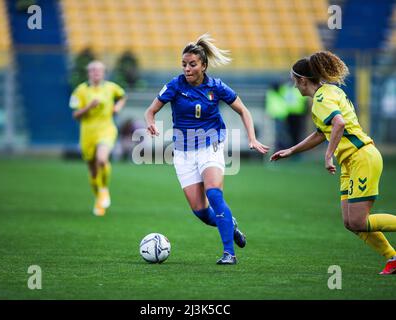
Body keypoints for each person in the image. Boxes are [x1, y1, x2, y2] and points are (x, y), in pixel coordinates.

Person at [144, 34, 269, 265]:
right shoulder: (174, 85)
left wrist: (252, 138)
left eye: (192, 64)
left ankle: (229, 253)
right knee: (201, 212)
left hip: (210, 144)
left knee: (214, 193)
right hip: (182, 151)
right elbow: (150, 110)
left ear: (203, 65)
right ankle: (231, 226)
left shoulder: (216, 86)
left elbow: (244, 110)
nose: (187, 69)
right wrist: (150, 122)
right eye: (184, 64)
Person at [270, 51, 396, 275]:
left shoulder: (320, 100)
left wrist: (328, 156)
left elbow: (338, 124)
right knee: (350, 222)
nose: (294, 87)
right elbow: (322, 133)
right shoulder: (330, 92)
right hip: (352, 161)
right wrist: (292, 150)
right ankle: (392, 258)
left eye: (294, 82)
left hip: (361, 157)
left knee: (358, 221)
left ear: (303, 80)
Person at [69, 60, 127, 216]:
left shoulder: (111, 87)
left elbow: (122, 96)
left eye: (99, 70)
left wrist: (117, 107)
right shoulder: (80, 91)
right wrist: (88, 107)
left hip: (106, 129)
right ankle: (99, 198)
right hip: (87, 133)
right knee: (93, 171)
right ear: (88, 73)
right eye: (93, 70)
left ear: (103, 73)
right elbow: (75, 114)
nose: (96, 73)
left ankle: (104, 189)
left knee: (102, 159)